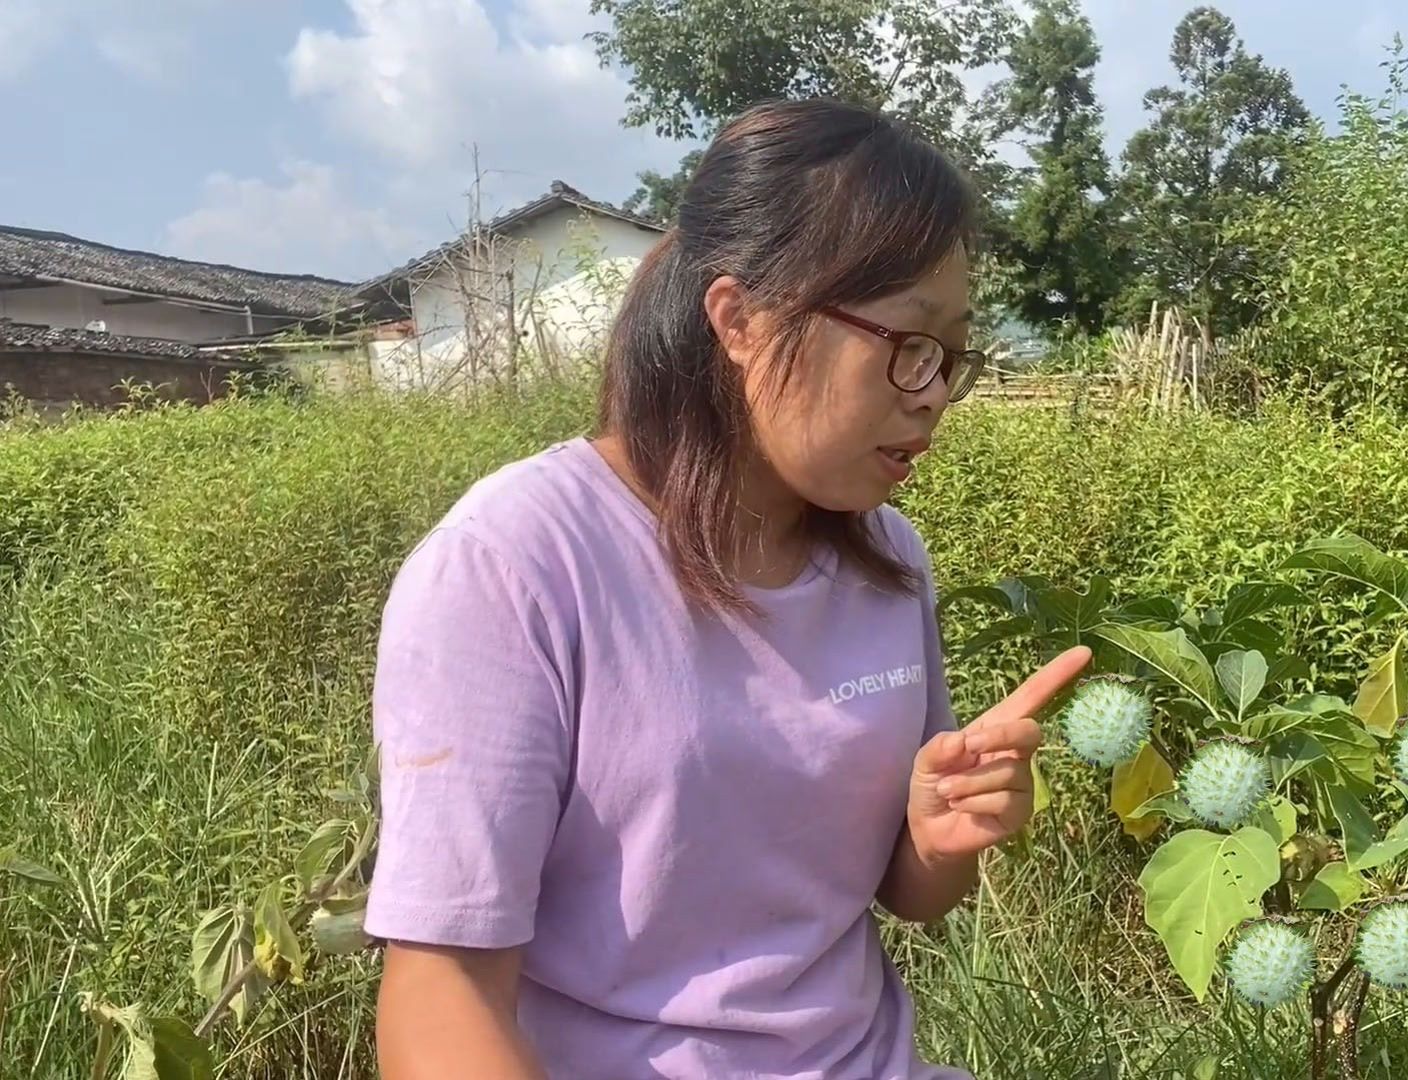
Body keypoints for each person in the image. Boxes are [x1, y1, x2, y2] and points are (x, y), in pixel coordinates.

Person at [362, 97, 1093, 1079]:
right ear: (741, 318)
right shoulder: (516, 567)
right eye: (907, 345)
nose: (930, 395)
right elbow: (441, 993)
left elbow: (906, 896)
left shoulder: (888, 559)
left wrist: (943, 834)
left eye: (950, 357)